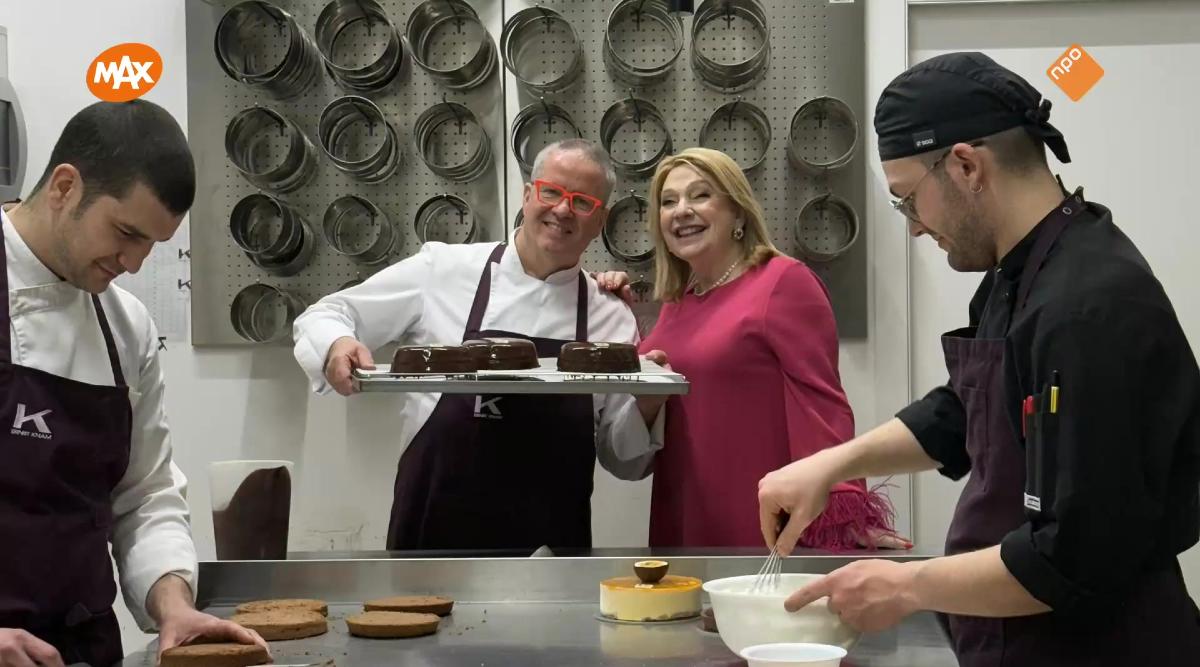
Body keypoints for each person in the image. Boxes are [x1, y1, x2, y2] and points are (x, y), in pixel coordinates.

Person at [757, 52, 1200, 666]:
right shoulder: (1019, 274)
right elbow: (966, 412)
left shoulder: (1087, 308)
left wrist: (905, 586)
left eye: (908, 200)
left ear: (966, 166)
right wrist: (831, 465)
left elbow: (1069, 557)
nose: (913, 227)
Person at [292, 139, 665, 552]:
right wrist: (336, 344)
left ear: (600, 221)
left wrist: (647, 403)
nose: (562, 210)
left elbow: (623, 458)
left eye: (582, 202)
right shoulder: (443, 271)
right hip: (432, 537)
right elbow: (325, 314)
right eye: (552, 192)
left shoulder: (609, 315)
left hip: (550, 552)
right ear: (528, 196)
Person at [0, 101, 267, 667]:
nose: (135, 263)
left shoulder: (125, 326)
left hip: (83, 650)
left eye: (152, 243)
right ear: (65, 187)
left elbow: (144, 493)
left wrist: (174, 605)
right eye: (125, 232)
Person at [596, 147, 902, 549]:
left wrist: (844, 507)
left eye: (700, 195)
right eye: (668, 202)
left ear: (738, 212)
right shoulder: (677, 303)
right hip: (686, 511)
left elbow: (822, 404)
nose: (681, 210)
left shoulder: (784, 282)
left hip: (760, 516)